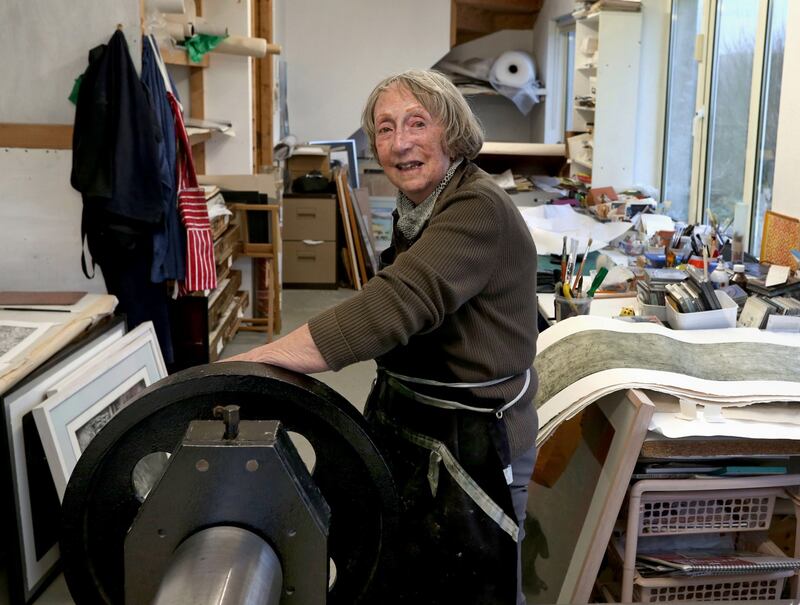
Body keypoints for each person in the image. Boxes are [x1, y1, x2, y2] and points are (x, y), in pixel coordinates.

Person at [232, 69, 538, 604]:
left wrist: (252, 363)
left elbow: (396, 304)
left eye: (417, 124)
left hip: (474, 441)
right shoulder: (418, 209)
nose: (400, 144)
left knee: (468, 584)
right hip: (412, 419)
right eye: (385, 128)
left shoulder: (476, 208)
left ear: (451, 131)